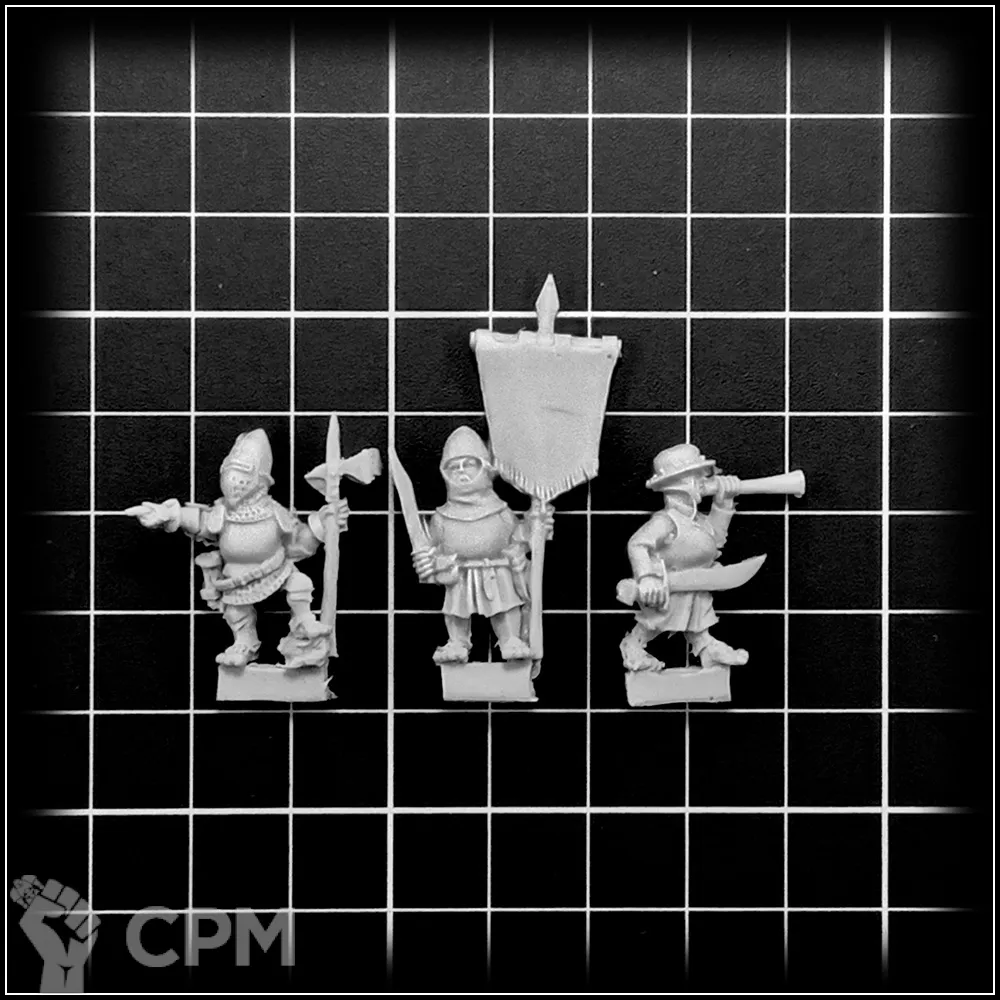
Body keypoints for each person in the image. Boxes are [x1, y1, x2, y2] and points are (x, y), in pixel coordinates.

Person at [126, 428, 347, 669]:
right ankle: (244, 643)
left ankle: (304, 623)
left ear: (260, 481)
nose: (234, 484)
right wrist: (169, 514)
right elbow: (200, 521)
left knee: (300, 584)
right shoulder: (221, 513)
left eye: (242, 477)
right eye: (230, 476)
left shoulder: (275, 513)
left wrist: (322, 525)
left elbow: (298, 541)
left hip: (276, 568)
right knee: (235, 612)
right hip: (236, 576)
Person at [412, 426, 550, 664]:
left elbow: (518, 537)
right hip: (459, 574)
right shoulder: (441, 518)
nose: (461, 471)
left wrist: (534, 527)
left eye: (469, 464)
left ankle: (511, 639)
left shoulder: (501, 511)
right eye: (454, 466)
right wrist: (428, 562)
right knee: (456, 609)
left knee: (505, 605)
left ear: (485, 467)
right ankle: (457, 642)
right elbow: (430, 550)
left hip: (496, 571)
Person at [620, 442, 748, 672]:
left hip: (696, 583)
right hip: (668, 586)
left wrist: (723, 504)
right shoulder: (667, 521)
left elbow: (715, 541)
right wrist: (647, 577)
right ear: (681, 485)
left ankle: (706, 647)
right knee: (657, 620)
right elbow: (638, 543)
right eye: (698, 476)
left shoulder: (696, 521)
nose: (705, 481)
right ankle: (633, 647)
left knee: (696, 615)